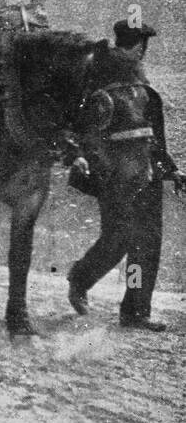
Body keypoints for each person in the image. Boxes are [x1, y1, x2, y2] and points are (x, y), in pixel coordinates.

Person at [67, 20, 183, 330]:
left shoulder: (141, 85)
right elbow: (84, 128)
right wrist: (80, 157)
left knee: (148, 242)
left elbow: (152, 136)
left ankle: (135, 312)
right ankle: (80, 278)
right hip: (115, 175)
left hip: (145, 174)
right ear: (139, 47)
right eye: (142, 46)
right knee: (119, 239)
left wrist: (171, 169)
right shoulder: (98, 81)